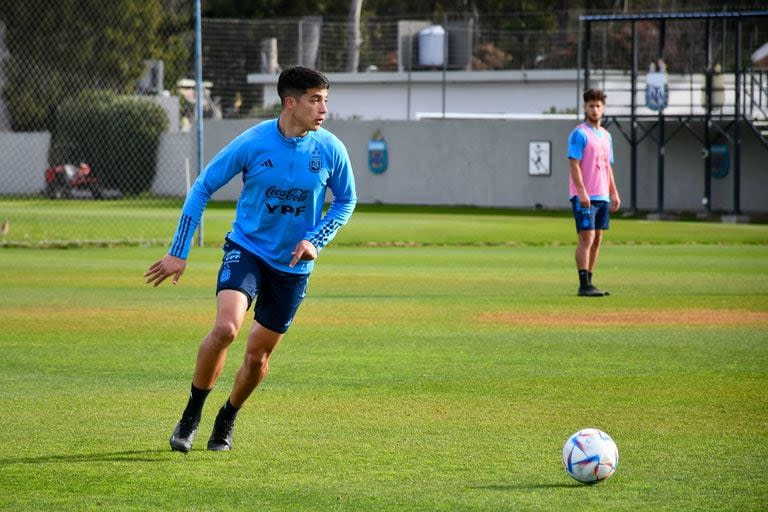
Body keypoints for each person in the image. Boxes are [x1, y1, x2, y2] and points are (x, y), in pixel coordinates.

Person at [144, 66, 357, 452]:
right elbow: (203, 186)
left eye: (326, 100)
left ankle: (227, 416)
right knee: (226, 329)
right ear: (290, 103)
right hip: (247, 250)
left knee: (258, 357)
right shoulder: (254, 142)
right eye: (315, 100)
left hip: (293, 266)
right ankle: (192, 413)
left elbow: (346, 200)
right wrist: (179, 252)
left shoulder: (330, 149)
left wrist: (316, 239)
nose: (323, 109)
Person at [567, 88, 621, 297]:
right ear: (585, 108)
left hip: (602, 196)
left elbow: (607, 167)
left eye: (598, 106)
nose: (595, 109)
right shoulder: (579, 134)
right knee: (586, 238)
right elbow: (574, 164)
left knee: (597, 239)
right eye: (591, 105)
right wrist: (582, 192)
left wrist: (614, 193)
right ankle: (583, 285)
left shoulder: (607, 136)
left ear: (603, 108)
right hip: (585, 197)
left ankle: (590, 281)